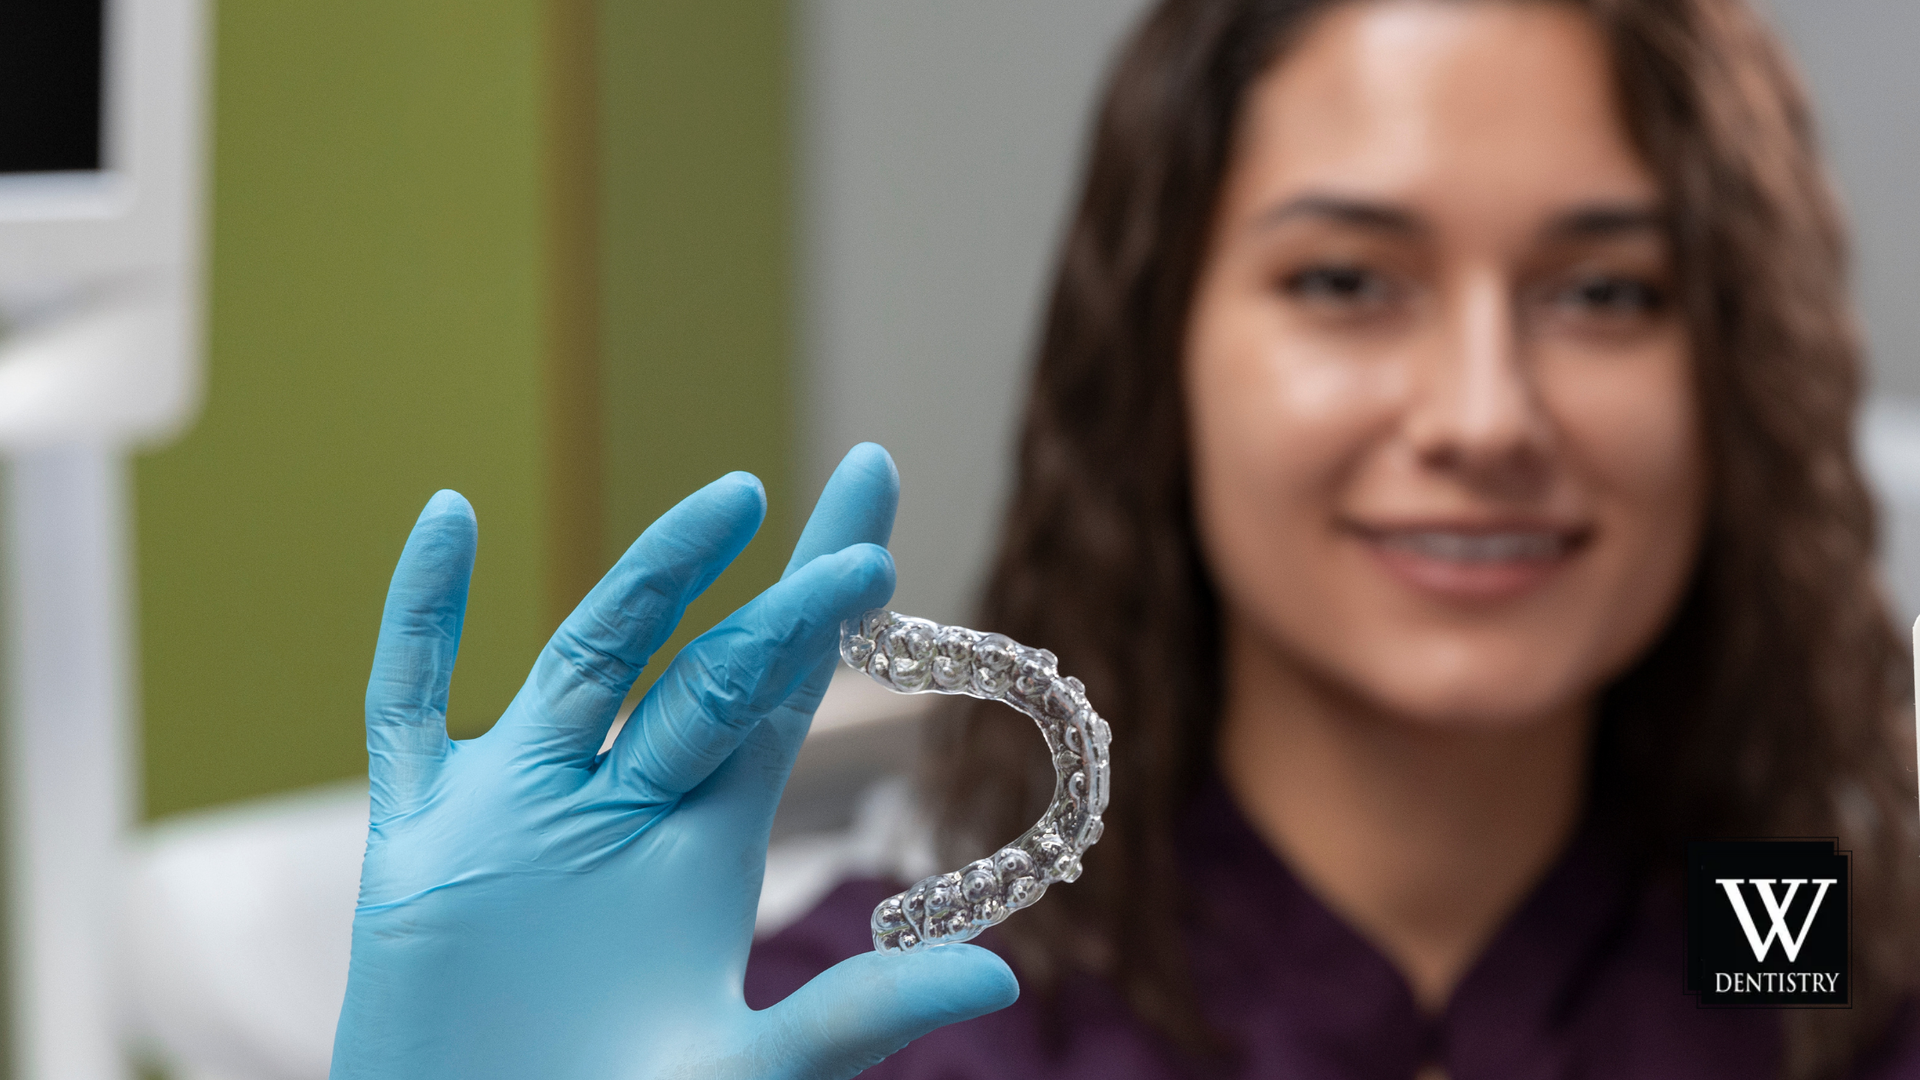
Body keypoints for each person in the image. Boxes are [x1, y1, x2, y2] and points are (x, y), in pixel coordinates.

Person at [329, 0, 1920, 1077]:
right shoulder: (876, 1028)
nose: (1486, 414)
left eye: (1606, 292)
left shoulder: (1818, 973)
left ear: (1739, 379)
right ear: (1156, 353)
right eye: (1347, 281)